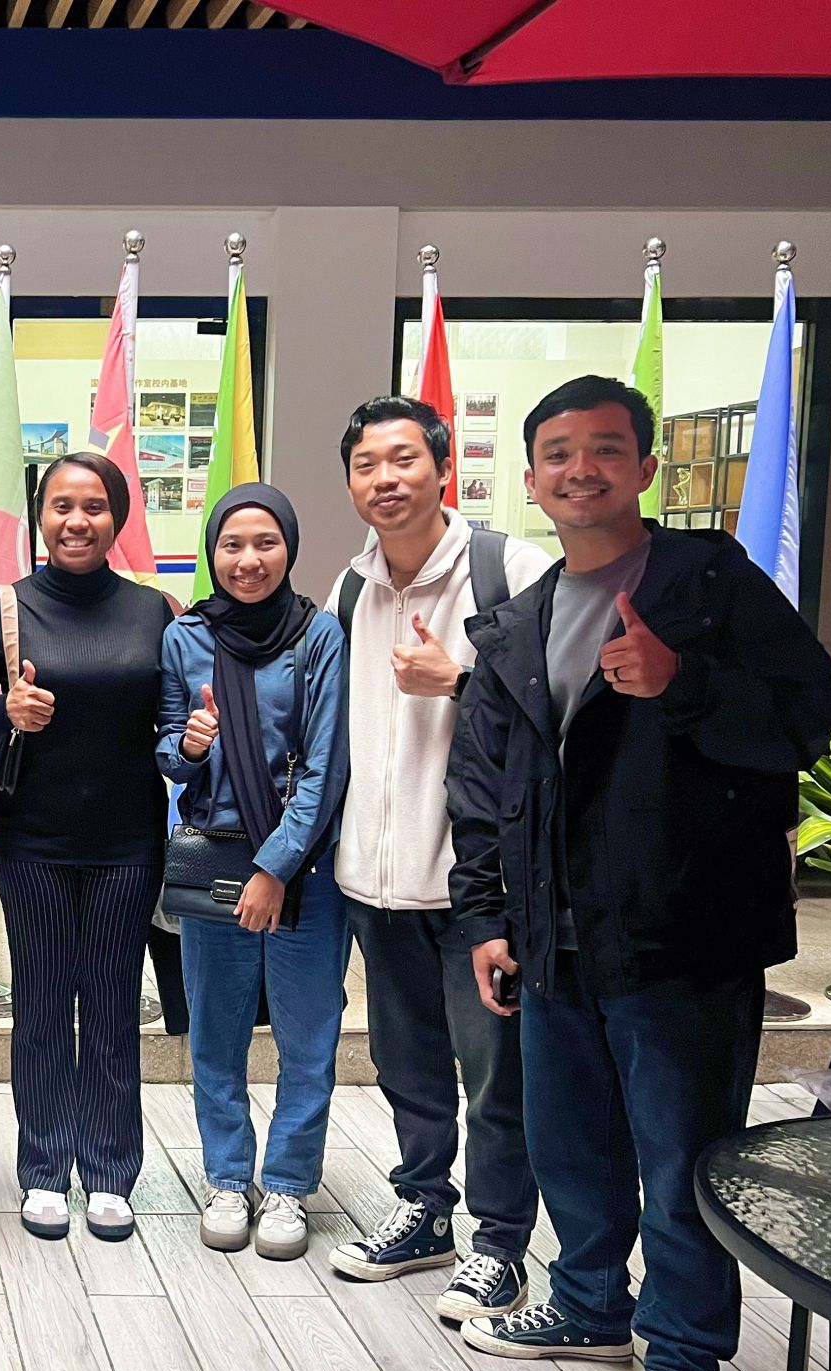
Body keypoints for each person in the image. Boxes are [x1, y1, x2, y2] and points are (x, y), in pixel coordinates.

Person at [447, 375, 831, 1371]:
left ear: (645, 468)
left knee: (679, 1163)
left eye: (605, 449)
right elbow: (484, 788)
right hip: (552, 936)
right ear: (531, 481)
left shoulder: (707, 584)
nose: (582, 469)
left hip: (682, 936)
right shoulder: (519, 622)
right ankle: (585, 1305)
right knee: (569, 1144)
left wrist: (681, 682)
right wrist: (486, 916)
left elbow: (805, 718)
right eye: (559, 454)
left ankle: (681, 1366)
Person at [320, 397, 553, 1321]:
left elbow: (568, 705)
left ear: (443, 468)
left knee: (494, 1076)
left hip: (479, 889)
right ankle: (423, 1209)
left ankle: (500, 1245)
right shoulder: (350, 589)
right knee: (405, 1064)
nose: (386, 479)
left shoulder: (510, 572)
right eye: (367, 464)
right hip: (375, 880)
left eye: (404, 459)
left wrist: (459, 680)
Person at [0, 452, 171, 1243]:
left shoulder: (155, 611)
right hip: (33, 842)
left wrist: (195, 735)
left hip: (128, 842)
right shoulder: (6, 608)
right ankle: (45, 1168)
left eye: (93, 506)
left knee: (114, 1005)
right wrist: (4, 712)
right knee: (44, 1005)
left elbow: (176, 718)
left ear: (117, 518)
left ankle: (112, 1171)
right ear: (40, 515)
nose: (76, 521)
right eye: (61, 505)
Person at [157, 484, 348, 1263]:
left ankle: (291, 1184)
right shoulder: (186, 638)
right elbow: (167, 749)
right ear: (213, 552)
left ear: (289, 548)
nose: (248, 560)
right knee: (216, 1032)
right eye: (231, 545)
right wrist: (190, 745)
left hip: (306, 868)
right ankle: (228, 1178)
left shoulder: (320, 635)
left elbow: (327, 766)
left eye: (265, 542)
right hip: (216, 857)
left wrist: (277, 868)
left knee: (308, 1035)